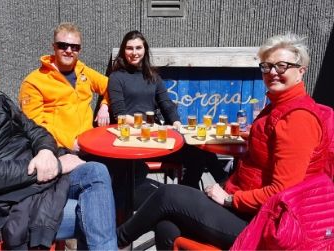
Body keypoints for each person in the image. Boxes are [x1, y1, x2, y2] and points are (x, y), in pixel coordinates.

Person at [116, 33, 330, 250]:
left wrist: (229, 199)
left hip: (264, 223)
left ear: (301, 71)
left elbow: (282, 191)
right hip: (246, 208)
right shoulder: (276, 108)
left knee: (167, 194)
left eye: (282, 66)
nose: (272, 72)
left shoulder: (298, 119)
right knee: (166, 227)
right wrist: (226, 188)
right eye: (266, 66)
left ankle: (113, 242)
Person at [0, 47, 117, 250]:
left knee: (96, 170)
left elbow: (38, 132)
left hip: (38, 187)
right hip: (7, 208)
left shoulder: (2, 102)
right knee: (97, 212)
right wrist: (56, 166)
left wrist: (45, 152)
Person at [108, 30, 225, 189]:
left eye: (138, 48)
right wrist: (155, 127)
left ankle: (207, 185)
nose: (134, 53)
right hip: (134, 138)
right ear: (123, 50)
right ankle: (212, 186)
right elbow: (120, 115)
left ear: (145, 50)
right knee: (196, 155)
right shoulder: (116, 77)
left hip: (156, 135)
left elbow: (166, 103)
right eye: (130, 48)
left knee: (199, 147)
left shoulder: (152, 75)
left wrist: (176, 122)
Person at [19, 22, 110, 152]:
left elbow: (112, 87)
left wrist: (104, 106)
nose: (68, 51)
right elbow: (34, 125)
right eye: (63, 46)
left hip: (89, 142)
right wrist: (70, 142)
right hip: (57, 148)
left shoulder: (84, 71)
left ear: (79, 50)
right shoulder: (33, 82)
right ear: (54, 47)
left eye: (74, 47)